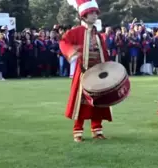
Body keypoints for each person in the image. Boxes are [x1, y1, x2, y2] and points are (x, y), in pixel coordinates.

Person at [59, 0, 112, 142]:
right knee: (80, 103)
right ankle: (78, 132)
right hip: (83, 73)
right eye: (92, 13)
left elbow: (104, 52)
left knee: (98, 101)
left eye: (96, 13)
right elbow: (63, 42)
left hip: (98, 73)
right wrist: (72, 52)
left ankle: (97, 130)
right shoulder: (76, 32)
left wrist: (109, 68)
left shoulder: (97, 33)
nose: (95, 15)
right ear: (84, 15)